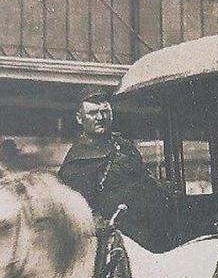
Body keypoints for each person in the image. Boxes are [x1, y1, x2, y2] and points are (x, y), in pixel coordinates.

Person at [58, 92, 174, 250]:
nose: (100, 117)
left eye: (105, 111)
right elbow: (77, 214)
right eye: (93, 113)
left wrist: (161, 189)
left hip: (153, 232)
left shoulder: (124, 146)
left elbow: (145, 179)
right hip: (117, 244)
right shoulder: (76, 163)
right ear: (80, 118)